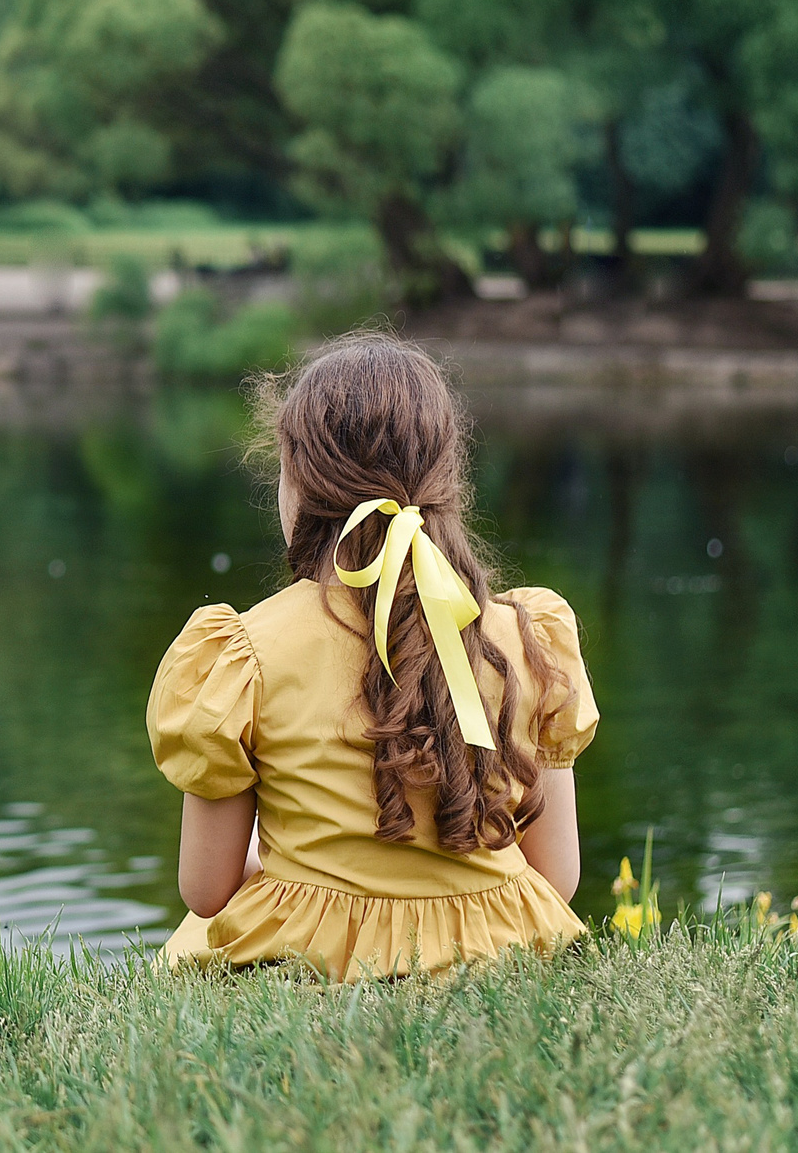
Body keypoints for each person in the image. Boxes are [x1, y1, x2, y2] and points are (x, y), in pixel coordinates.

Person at [147, 331, 599, 980]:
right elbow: (557, 879)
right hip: (497, 944)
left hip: (314, 950)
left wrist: (289, 872)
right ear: (446, 478)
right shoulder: (527, 638)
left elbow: (206, 889)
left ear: (299, 483)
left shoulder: (245, 651)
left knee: (195, 932)